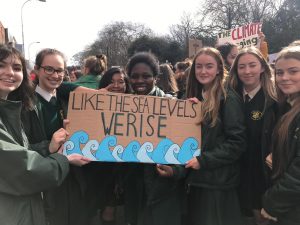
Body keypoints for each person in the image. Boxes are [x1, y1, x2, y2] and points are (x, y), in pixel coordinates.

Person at [0, 44, 89, 225]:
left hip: (67, 184)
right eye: (49, 69)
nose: (55, 75)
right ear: (36, 70)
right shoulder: (21, 104)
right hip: (40, 187)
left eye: (60, 71)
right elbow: (22, 161)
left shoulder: (71, 100)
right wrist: (52, 149)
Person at [185, 47, 246, 225]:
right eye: (199, 66)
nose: (203, 71)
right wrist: (191, 112)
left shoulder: (229, 98)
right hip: (198, 180)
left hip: (217, 184)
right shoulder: (196, 96)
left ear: (219, 68)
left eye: (209, 66)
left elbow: (237, 143)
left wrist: (203, 160)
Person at [124, 52, 185, 225]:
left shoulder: (172, 105)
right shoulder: (120, 106)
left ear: (156, 78)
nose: (139, 81)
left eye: (146, 76)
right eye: (134, 76)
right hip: (133, 186)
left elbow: (185, 148)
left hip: (163, 188)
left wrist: (176, 171)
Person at [228, 46, 278, 225]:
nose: (247, 71)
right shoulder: (228, 97)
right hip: (233, 173)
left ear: (263, 67)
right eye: (241, 66)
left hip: (261, 175)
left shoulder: (275, 100)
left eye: (252, 65)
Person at [261, 46, 300, 225]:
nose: (284, 78)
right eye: (279, 72)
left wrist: (272, 203)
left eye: (293, 71)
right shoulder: (288, 106)